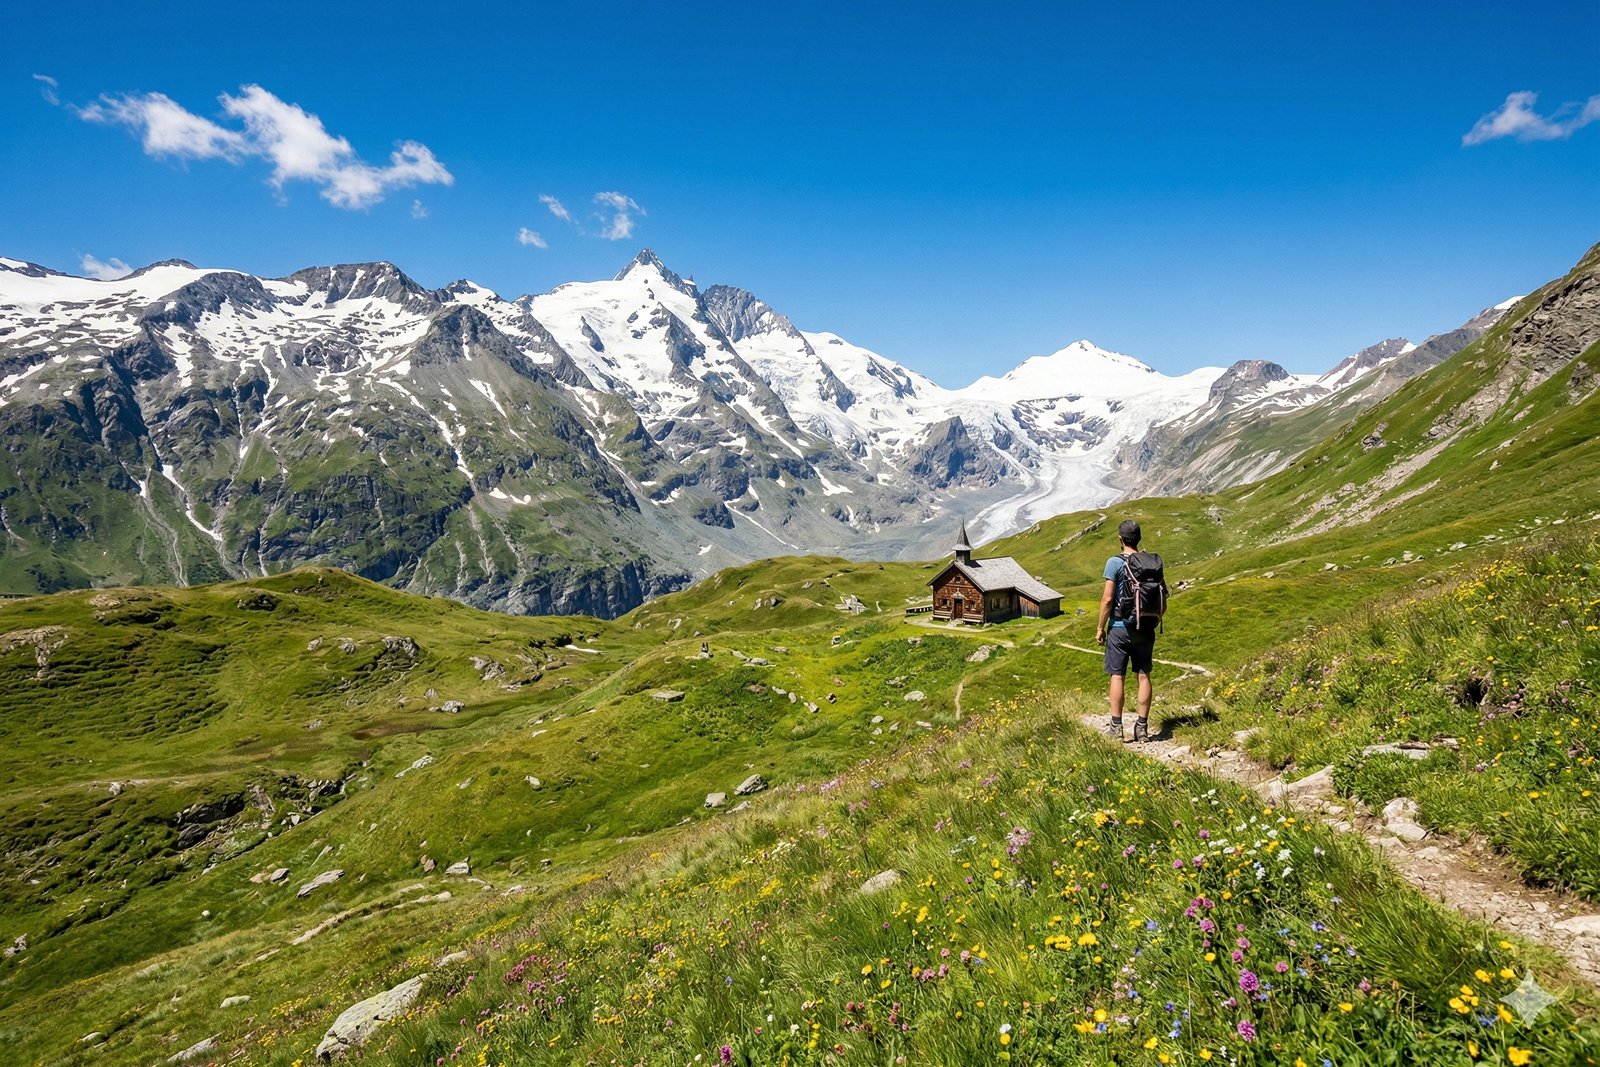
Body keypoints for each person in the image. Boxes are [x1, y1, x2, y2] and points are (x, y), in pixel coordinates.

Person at [1096, 519, 1154, 742]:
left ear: (1120, 539)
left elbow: (1107, 599)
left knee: (1117, 676)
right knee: (1143, 675)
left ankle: (1116, 727)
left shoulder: (1114, 562)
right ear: (1139, 538)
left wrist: (1100, 628)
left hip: (1120, 628)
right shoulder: (1150, 563)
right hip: (1145, 628)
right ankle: (1142, 728)